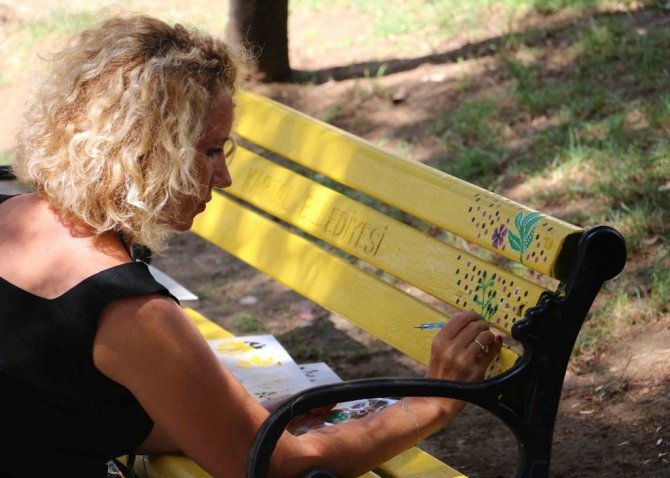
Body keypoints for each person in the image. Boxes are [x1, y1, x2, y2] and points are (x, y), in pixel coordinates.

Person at [0, 14, 502, 478]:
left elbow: (55, 408)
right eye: (209, 150)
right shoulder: (129, 311)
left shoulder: (10, 217)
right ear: (143, 152)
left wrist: (237, 418)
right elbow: (275, 467)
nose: (224, 177)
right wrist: (437, 400)